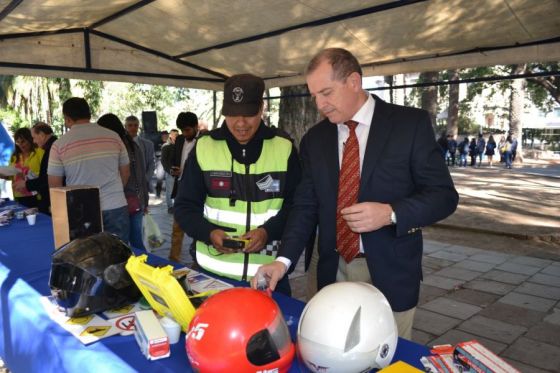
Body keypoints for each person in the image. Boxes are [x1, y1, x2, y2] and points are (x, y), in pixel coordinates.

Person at [251, 48, 458, 339]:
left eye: (326, 93)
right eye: (314, 96)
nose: (320, 105)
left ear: (354, 82)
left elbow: (444, 196)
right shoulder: (315, 139)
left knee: (390, 357)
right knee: (329, 349)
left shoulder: (409, 125)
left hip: (391, 269)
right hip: (332, 268)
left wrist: (391, 213)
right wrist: (282, 262)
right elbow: (305, 206)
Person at [174, 74, 302, 296]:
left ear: (261, 109)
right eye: (233, 114)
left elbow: (298, 207)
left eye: (248, 114)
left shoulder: (284, 148)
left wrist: (267, 232)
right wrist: (208, 232)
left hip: (268, 279)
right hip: (210, 278)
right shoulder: (205, 147)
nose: (240, 123)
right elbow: (184, 207)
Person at [48, 97, 130, 242]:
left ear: (67, 118)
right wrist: (114, 191)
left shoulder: (59, 145)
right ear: (89, 114)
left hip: (81, 209)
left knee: (88, 257)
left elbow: (55, 184)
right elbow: (125, 172)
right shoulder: (113, 136)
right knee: (119, 255)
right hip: (115, 205)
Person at [98, 113, 149, 250]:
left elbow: (124, 175)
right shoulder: (132, 144)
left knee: (120, 243)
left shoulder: (115, 145)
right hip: (135, 200)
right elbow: (141, 175)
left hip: (119, 201)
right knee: (137, 242)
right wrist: (145, 200)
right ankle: (140, 268)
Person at [169, 113, 199, 262]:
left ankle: (197, 259)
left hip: (197, 190)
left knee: (198, 228)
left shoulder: (205, 141)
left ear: (196, 126)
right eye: (182, 130)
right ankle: (173, 259)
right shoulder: (180, 140)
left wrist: (186, 171)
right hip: (180, 187)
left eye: (187, 130)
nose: (184, 133)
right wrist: (173, 170)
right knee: (177, 227)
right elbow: (175, 159)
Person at [2, 127, 44, 208]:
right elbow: (11, 175)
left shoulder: (39, 152)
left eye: (23, 141)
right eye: (18, 142)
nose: (21, 145)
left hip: (36, 195)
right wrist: (3, 175)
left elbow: (45, 173)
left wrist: (26, 174)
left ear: (30, 139)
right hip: (19, 195)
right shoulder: (14, 156)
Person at [24, 122, 57, 214]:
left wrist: (26, 184)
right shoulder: (51, 147)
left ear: (42, 135)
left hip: (53, 198)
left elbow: (47, 179)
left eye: (34, 137)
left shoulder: (52, 148)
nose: (34, 141)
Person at [125, 115, 155, 194]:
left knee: (143, 206)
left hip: (143, 186)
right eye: (130, 125)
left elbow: (151, 163)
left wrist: (146, 179)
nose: (133, 128)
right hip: (126, 186)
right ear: (125, 126)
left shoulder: (148, 144)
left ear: (138, 126)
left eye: (135, 125)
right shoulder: (120, 143)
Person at [160, 129, 179, 213]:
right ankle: (170, 207)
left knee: (178, 190)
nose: (177, 136)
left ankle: (176, 206)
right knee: (169, 191)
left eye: (177, 135)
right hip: (170, 172)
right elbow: (163, 161)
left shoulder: (180, 145)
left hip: (179, 172)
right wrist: (170, 170)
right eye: (175, 135)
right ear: (170, 135)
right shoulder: (166, 146)